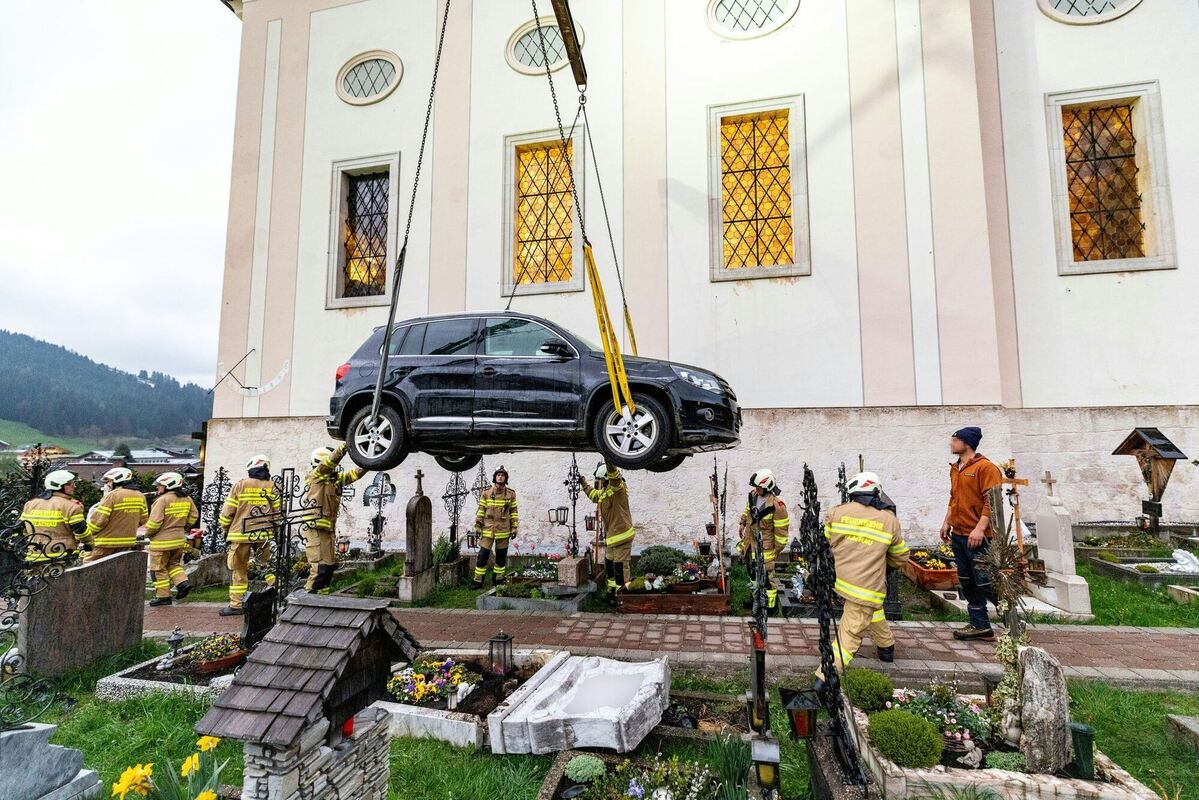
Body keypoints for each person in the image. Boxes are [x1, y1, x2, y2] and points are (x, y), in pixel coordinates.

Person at [819, 472, 909, 676]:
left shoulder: (836, 512)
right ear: (876, 491)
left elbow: (825, 543)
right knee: (849, 634)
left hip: (842, 581)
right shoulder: (889, 520)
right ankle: (824, 678)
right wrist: (881, 567)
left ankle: (887, 647)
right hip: (868, 585)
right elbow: (901, 556)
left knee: (873, 610)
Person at [939, 426, 1004, 641]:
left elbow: (991, 502)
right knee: (967, 581)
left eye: (955, 440)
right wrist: (946, 521)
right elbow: (953, 498)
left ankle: (1010, 620)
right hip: (959, 534)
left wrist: (979, 528)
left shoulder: (986, 468)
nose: (951, 443)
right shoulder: (955, 467)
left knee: (987, 581)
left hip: (979, 536)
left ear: (967, 443)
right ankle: (980, 625)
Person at [217, 455, 281, 616]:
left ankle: (236, 605)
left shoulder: (240, 485)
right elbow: (278, 514)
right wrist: (274, 530)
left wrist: (226, 528)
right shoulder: (273, 486)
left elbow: (227, 512)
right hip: (264, 535)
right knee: (267, 567)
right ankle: (279, 594)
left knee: (238, 569)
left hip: (241, 534)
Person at [302, 444, 365, 591]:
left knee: (329, 568)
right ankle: (307, 600)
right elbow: (329, 463)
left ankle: (322, 599)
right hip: (315, 527)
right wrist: (345, 446)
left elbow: (354, 474)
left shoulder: (333, 480)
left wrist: (370, 462)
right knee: (320, 568)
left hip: (327, 528)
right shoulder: (316, 476)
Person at [737, 469, 789, 608]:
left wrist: (776, 551)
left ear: (768, 487)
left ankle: (769, 606)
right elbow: (747, 510)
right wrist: (742, 523)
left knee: (766, 578)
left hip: (766, 547)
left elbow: (781, 533)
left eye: (759, 487)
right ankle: (755, 600)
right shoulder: (753, 496)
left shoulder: (777, 507)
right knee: (752, 574)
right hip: (750, 543)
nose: (756, 489)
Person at [580, 462, 635, 593]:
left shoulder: (618, 488)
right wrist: (583, 482)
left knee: (620, 567)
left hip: (622, 536)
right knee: (609, 564)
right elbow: (593, 495)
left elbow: (613, 474)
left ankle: (622, 595)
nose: (600, 483)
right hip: (612, 538)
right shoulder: (606, 492)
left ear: (606, 478)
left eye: (601, 480)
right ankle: (612, 591)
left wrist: (608, 455)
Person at [146, 472, 198, 606]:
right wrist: (183, 526)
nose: (158, 488)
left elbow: (154, 523)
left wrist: (147, 534)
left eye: (160, 485)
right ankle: (183, 583)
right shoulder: (186, 498)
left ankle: (163, 597)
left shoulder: (162, 500)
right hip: (179, 540)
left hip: (161, 542)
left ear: (168, 485)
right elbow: (194, 516)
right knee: (173, 565)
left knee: (158, 569)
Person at [19, 470, 87, 561]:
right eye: (70, 484)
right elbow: (81, 532)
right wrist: (89, 543)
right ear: (59, 486)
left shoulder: (30, 504)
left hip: (34, 555)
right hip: (62, 555)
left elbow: (21, 527)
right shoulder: (71, 506)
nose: (74, 486)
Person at [83, 467, 148, 561]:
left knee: (89, 569)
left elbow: (98, 522)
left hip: (104, 544)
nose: (107, 484)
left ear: (117, 480)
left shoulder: (112, 495)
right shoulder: (140, 496)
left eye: (109, 481)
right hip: (127, 543)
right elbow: (143, 520)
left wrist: (86, 535)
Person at [472, 466, 518, 588]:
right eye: (498, 475)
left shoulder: (511, 494)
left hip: (503, 530)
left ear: (506, 478)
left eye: (502, 475)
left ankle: (498, 579)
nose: (500, 476)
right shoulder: (486, 493)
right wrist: (477, 525)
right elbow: (481, 510)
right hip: (488, 529)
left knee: (501, 557)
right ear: (494, 477)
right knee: (482, 555)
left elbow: (513, 512)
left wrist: (514, 528)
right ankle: (478, 581)